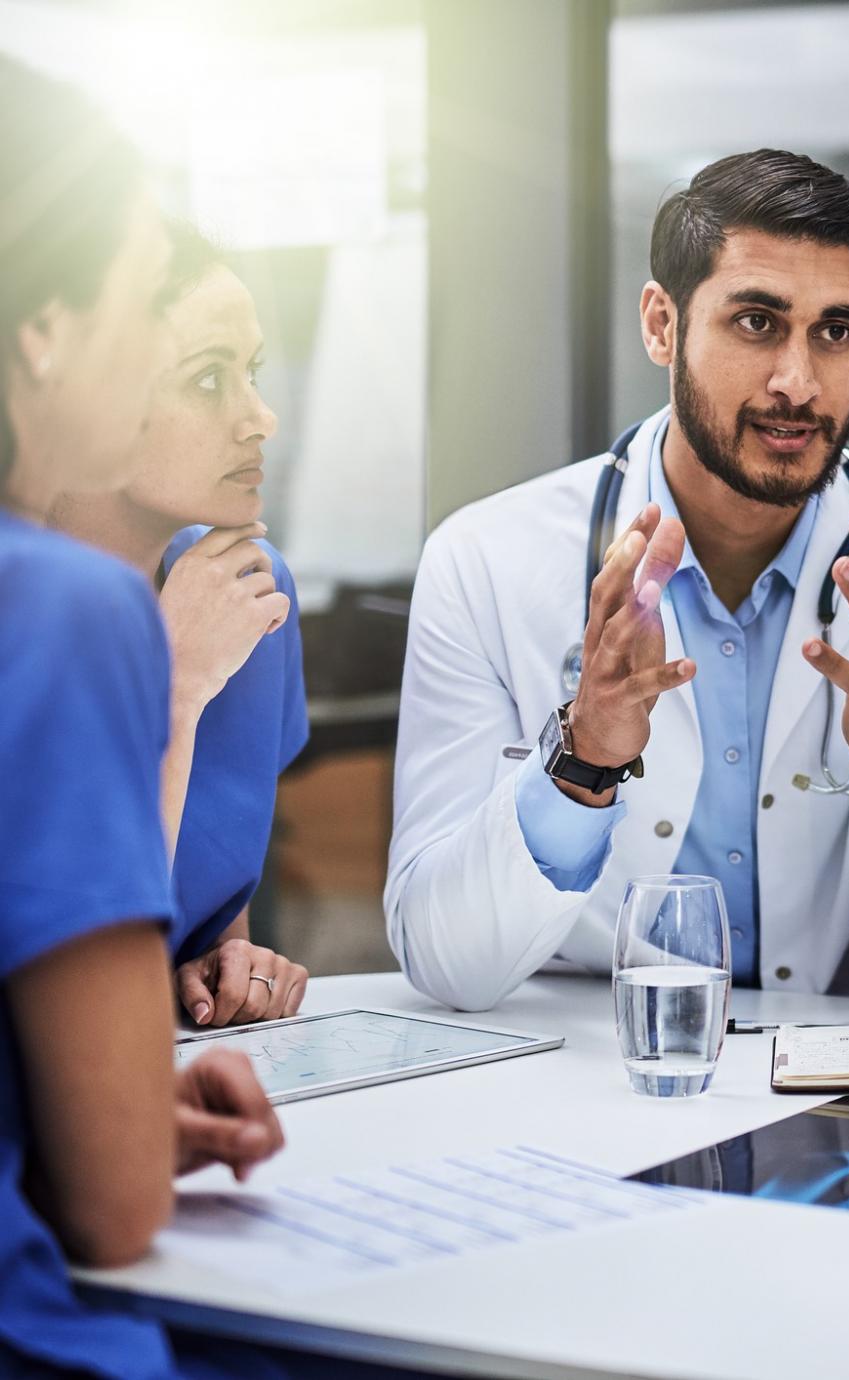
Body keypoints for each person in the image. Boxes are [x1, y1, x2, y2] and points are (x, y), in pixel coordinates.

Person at [386, 149, 849, 1012]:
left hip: (838, 1081)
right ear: (662, 324)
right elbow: (445, 963)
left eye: (836, 332)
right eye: (757, 322)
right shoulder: (484, 560)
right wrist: (583, 760)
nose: (798, 383)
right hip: (579, 1073)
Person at [0, 55, 288, 1379]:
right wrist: (113, 1123)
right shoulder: (56, 608)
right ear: (46, 326)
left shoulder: (234, 592)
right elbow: (115, 1206)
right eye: (136, 289)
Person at [52, 219, 310, 1028]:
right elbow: (68, 967)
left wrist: (225, 959)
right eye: (208, 382)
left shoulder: (247, 593)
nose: (259, 418)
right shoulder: (28, 618)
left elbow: (202, 906)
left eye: (253, 374)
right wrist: (175, 687)